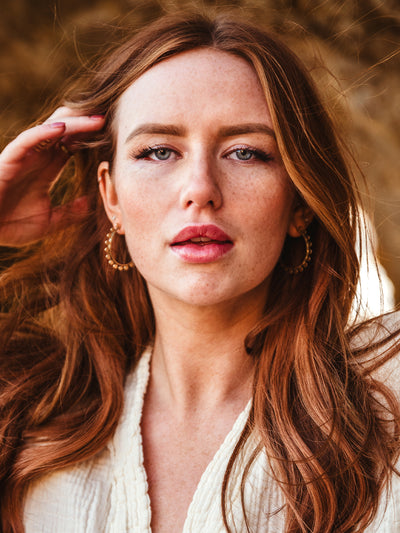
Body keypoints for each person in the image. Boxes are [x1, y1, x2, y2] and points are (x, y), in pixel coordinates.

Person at [0, 11, 399, 533]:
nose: (200, 188)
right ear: (111, 196)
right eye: (159, 150)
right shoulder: (32, 411)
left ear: (300, 202)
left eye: (246, 152)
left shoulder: (385, 399)